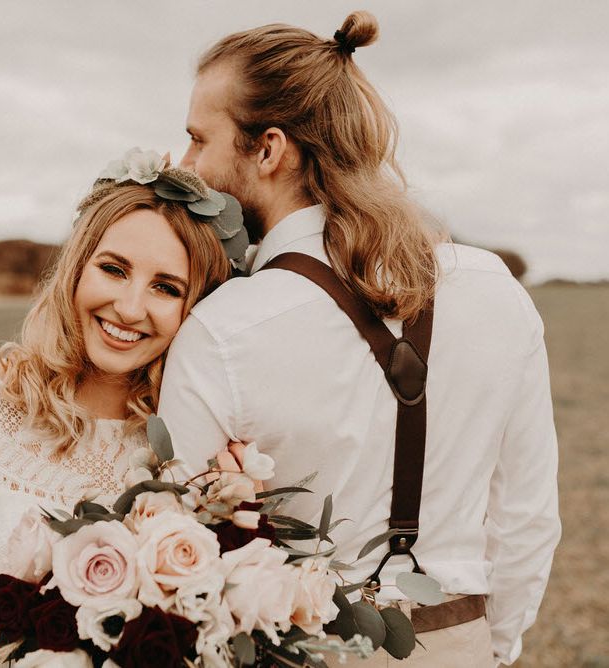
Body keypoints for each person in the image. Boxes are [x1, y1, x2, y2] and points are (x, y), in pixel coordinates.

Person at [158, 10, 560, 667]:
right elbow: (525, 519)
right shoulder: (496, 291)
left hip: (294, 652)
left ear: (268, 149)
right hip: (457, 640)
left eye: (200, 139)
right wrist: (490, 647)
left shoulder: (223, 329)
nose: (186, 164)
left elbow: (177, 548)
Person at [0, 152, 232, 651]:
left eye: (166, 288)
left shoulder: (195, 447)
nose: (130, 309)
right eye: (113, 269)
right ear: (75, 269)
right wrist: (73, 609)